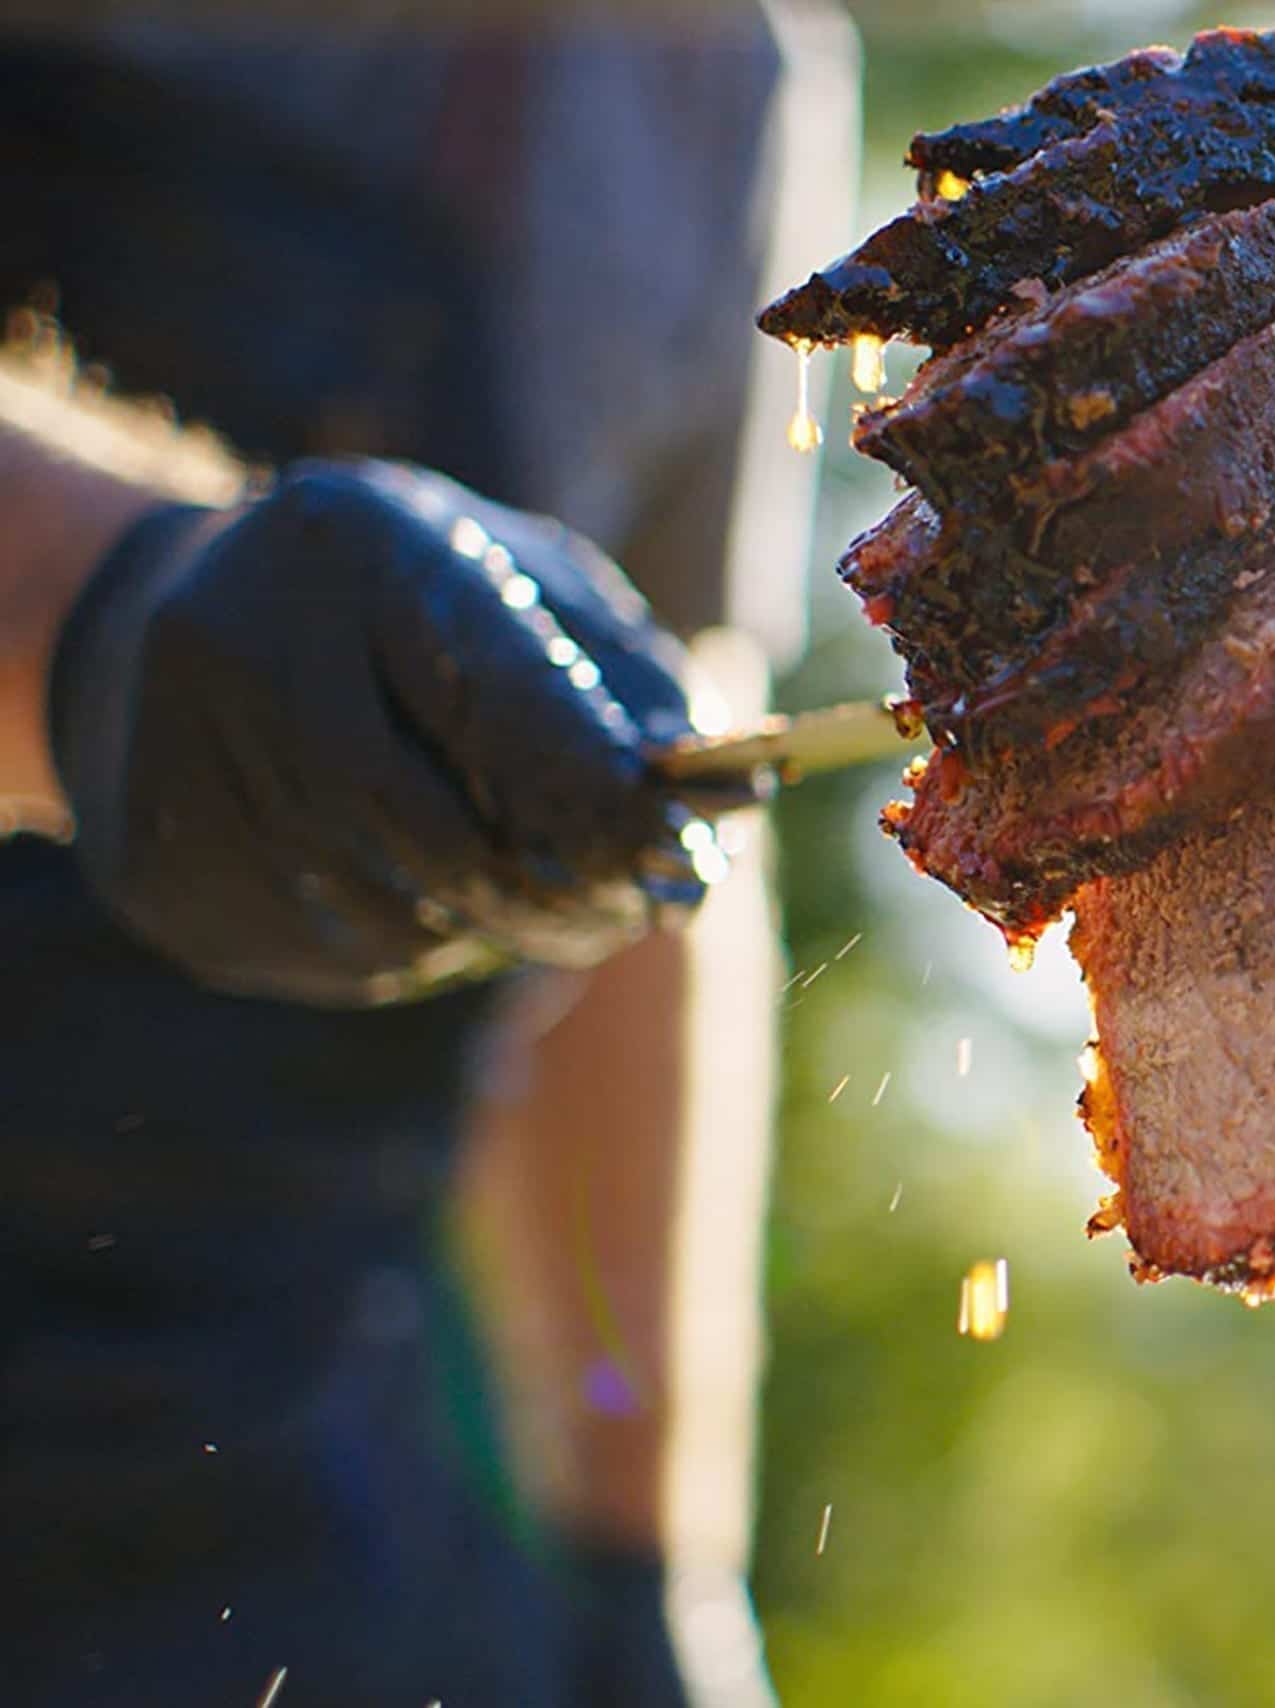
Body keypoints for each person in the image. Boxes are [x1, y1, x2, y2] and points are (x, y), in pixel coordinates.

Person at [0, 7, 846, 1702]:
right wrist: (101, 609)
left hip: (251, 1426)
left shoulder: (712, 82)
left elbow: (658, 838)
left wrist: (647, 1562)